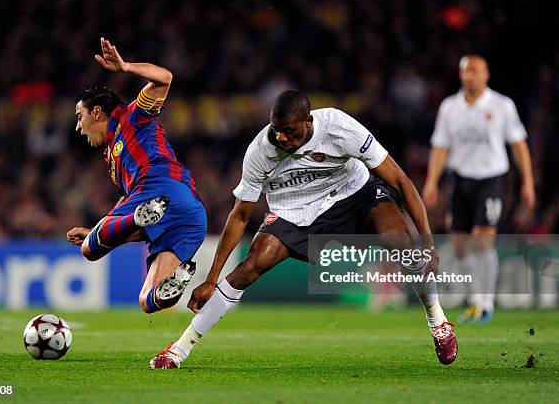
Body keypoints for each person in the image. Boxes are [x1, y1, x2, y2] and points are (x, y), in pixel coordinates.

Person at [150, 90, 458, 369]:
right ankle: (179, 349)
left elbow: (401, 181)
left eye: (290, 131)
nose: (282, 138)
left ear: (309, 123)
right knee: (250, 266)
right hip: (294, 209)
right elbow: (240, 216)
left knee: (403, 244)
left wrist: (427, 243)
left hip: (354, 193)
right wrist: (211, 279)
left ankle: (438, 321)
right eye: (277, 130)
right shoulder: (260, 151)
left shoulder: (339, 126)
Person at [66, 37, 207, 314]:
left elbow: (164, 78)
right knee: (149, 301)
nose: (77, 127)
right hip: (189, 212)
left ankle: (135, 217)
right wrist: (99, 230)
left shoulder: (132, 115)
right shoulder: (111, 157)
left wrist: (126, 67)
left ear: (96, 112)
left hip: (161, 187)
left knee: (89, 250)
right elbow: (129, 215)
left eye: (79, 117)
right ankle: (179, 279)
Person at [422, 55, 535, 323]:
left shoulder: (502, 105)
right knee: (460, 244)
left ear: (486, 74)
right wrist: (431, 181)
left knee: (483, 238)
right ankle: (475, 300)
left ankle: (487, 302)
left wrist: (528, 181)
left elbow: (518, 144)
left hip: (492, 178)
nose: (468, 75)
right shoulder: (450, 107)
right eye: (463, 71)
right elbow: (440, 147)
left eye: (473, 70)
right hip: (460, 179)